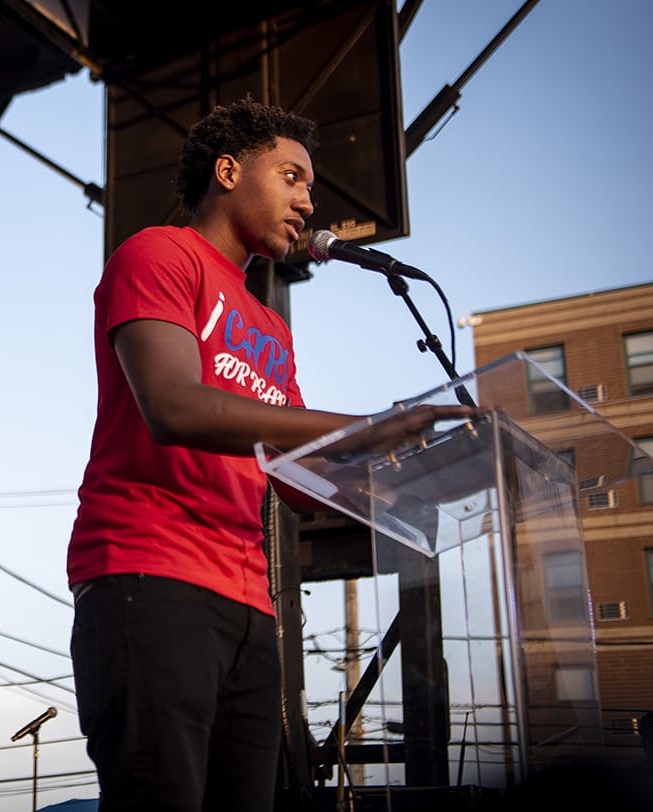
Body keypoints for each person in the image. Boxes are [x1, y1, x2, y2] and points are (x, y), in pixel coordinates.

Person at [65, 97, 479, 811]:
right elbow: (173, 406)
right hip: (149, 575)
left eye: (308, 186)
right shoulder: (158, 253)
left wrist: (419, 482)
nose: (306, 200)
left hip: (249, 607)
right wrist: (360, 427)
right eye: (290, 176)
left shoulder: (267, 328)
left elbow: (295, 477)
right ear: (227, 171)